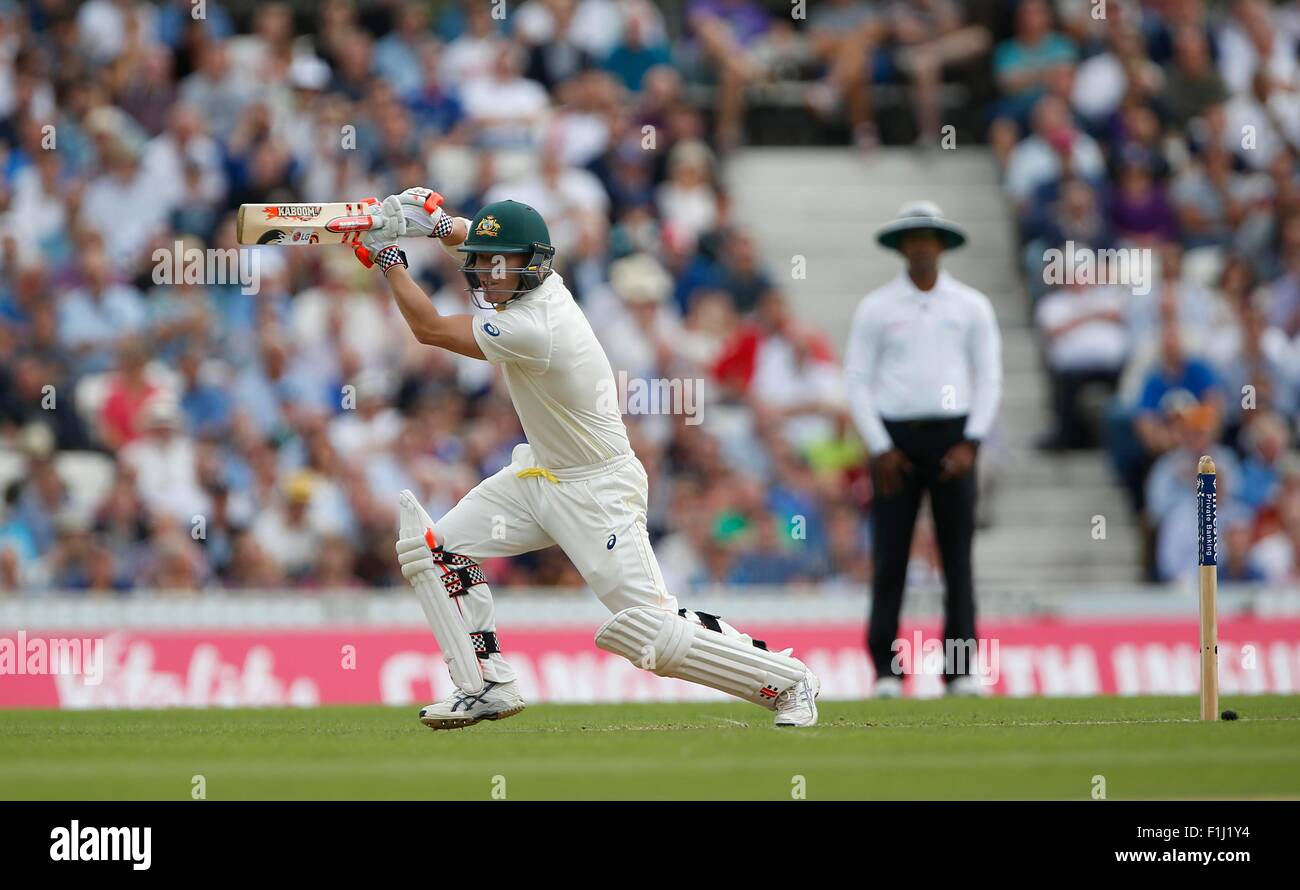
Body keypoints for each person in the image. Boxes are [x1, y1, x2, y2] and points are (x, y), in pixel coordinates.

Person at [351, 190, 821, 729]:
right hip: (537, 476)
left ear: (528, 267)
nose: (483, 274)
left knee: (652, 630)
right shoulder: (539, 279)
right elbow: (485, 243)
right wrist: (435, 224)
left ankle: (790, 682)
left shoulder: (533, 326)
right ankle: (487, 685)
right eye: (480, 262)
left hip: (597, 490)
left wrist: (390, 259)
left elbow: (430, 328)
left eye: (494, 264)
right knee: (435, 552)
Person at [844, 202, 1002, 698]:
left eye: (928, 238)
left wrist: (973, 440)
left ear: (941, 245)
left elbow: (990, 375)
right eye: (912, 238)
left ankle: (959, 670)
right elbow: (856, 380)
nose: (920, 246)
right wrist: (879, 446)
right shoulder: (877, 307)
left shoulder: (971, 305)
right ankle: (887, 671)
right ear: (901, 247)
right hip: (895, 443)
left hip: (954, 439)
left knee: (957, 558)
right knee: (890, 558)